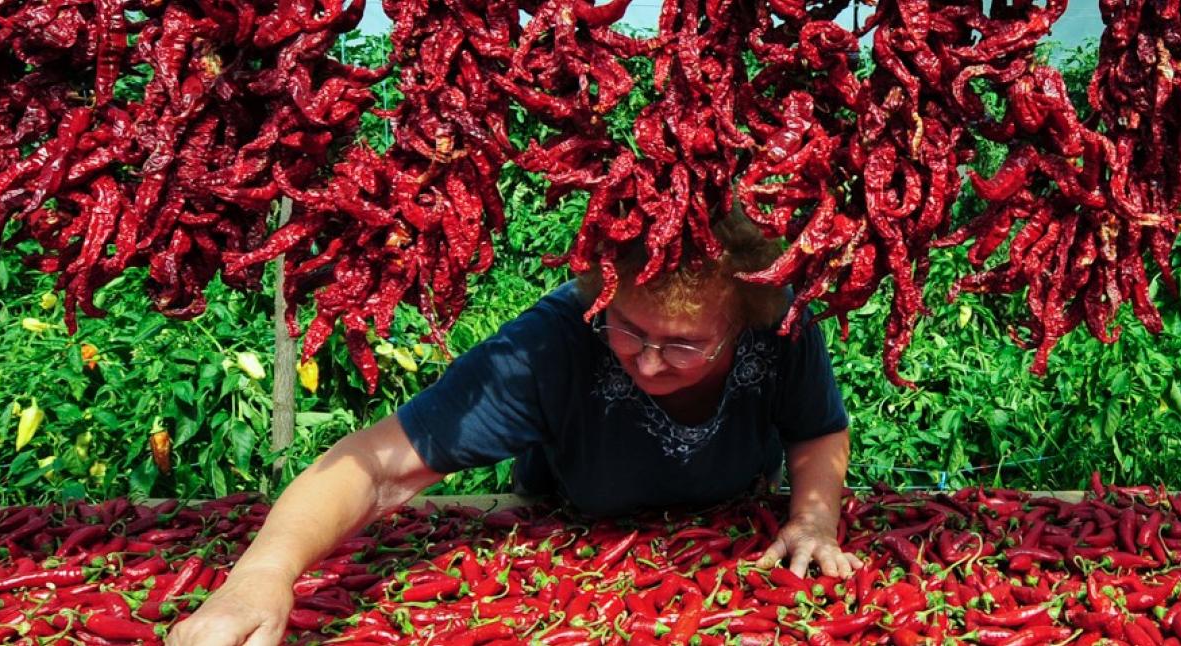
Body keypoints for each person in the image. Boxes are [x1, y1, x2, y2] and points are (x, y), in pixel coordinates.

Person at [166, 211, 859, 646]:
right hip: (571, 525)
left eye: (682, 345)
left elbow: (817, 429)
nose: (648, 360)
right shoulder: (554, 344)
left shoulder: (783, 328)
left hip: (729, 538)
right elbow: (377, 466)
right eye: (628, 330)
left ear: (743, 321)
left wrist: (813, 518)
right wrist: (261, 575)